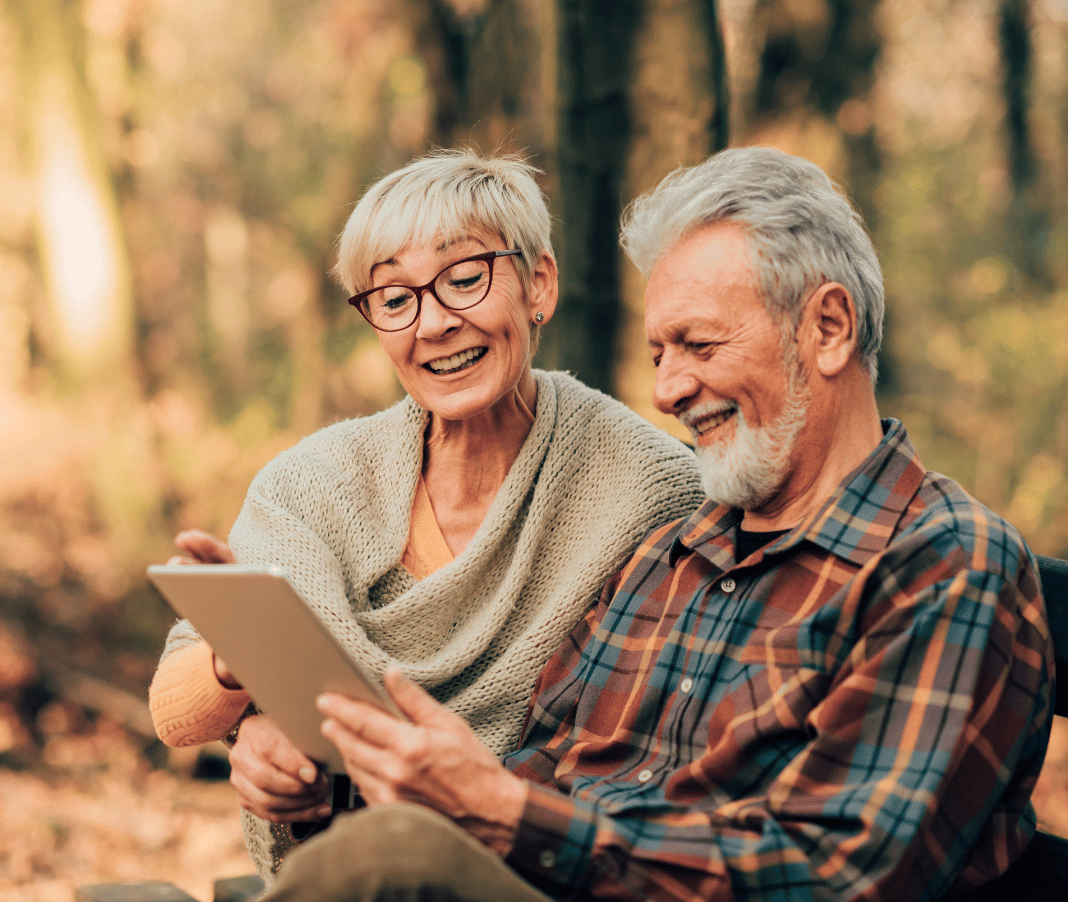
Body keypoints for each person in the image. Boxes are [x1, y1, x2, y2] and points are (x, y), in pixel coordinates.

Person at [248, 146, 1056, 902]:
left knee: (391, 860)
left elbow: (838, 875)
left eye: (698, 345)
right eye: (660, 352)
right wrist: (342, 787)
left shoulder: (941, 564)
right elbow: (539, 768)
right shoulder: (680, 550)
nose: (668, 390)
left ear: (829, 328)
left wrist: (501, 815)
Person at [146, 149, 707, 884]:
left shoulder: (651, 487)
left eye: (464, 279)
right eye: (394, 298)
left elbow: (652, 747)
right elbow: (174, 711)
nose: (434, 323)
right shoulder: (311, 483)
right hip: (345, 872)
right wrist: (250, 691)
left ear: (539, 284)